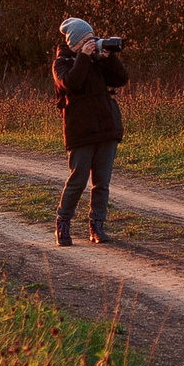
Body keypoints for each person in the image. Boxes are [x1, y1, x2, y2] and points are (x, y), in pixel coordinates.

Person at [51, 16, 127, 246]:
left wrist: (107, 59)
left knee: (102, 182)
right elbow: (71, 82)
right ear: (75, 42)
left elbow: (121, 79)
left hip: (105, 127)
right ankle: (63, 223)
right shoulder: (61, 63)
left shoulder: (97, 61)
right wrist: (83, 57)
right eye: (87, 40)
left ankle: (97, 225)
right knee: (78, 180)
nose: (93, 42)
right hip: (80, 130)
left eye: (93, 38)